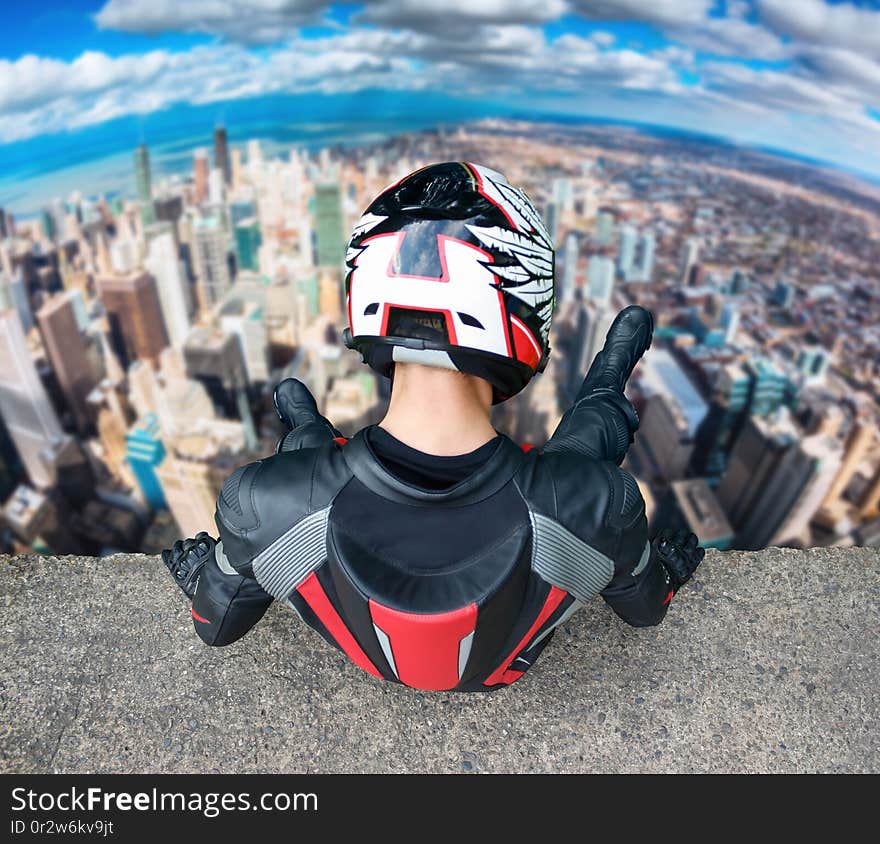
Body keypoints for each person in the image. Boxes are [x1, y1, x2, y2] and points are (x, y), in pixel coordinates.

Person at [163, 162, 705, 692]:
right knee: (580, 463)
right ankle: (604, 394)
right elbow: (645, 608)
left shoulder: (264, 500)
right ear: (525, 314)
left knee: (309, 454)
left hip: (337, 582)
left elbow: (216, 626)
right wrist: (665, 568)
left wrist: (213, 568)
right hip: (508, 659)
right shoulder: (597, 503)